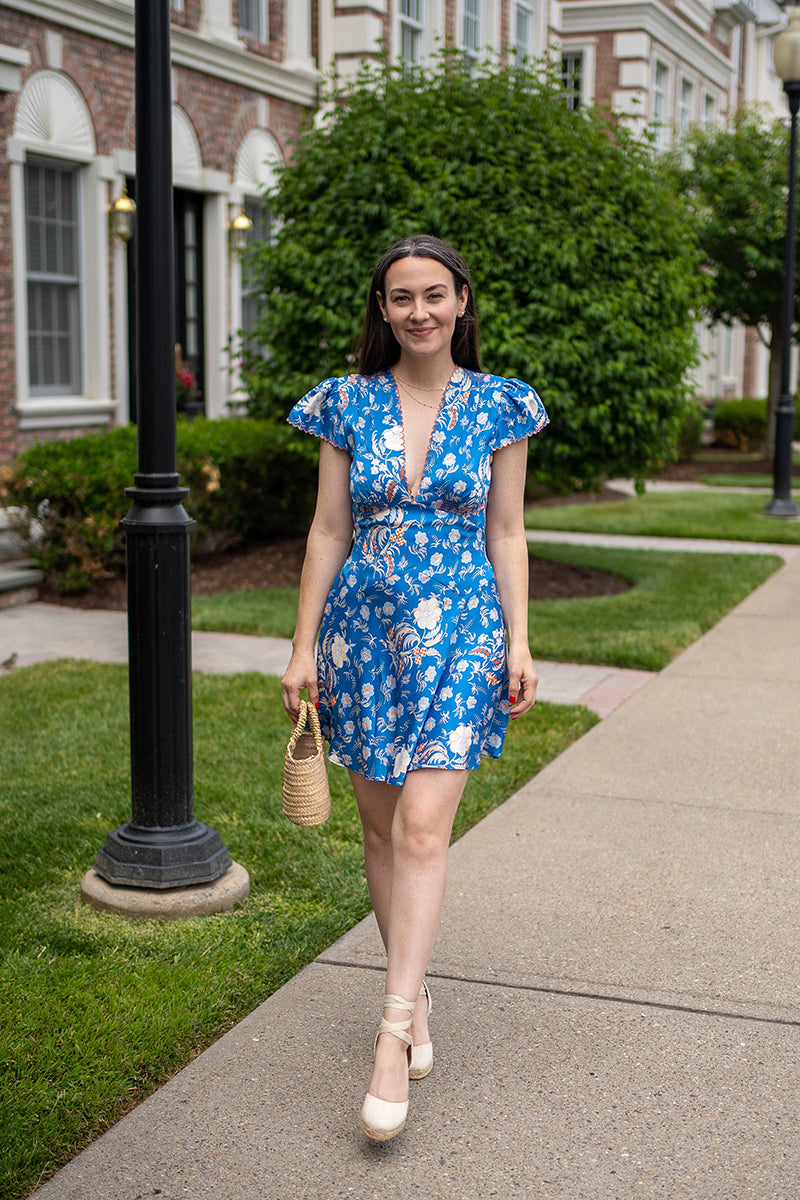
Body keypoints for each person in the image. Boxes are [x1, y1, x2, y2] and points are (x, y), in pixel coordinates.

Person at [281, 234, 548, 1141]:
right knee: (380, 828)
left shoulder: (503, 405)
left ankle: (392, 1032)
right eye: (403, 298)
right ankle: (416, 990)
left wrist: (520, 638)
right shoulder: (346, 404)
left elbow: (507, 532)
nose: (421, 311)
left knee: (425, 827)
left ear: (463, 300)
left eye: (436, 294)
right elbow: (326, 531)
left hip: (465, 630)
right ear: (384, 309)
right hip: (362, 634)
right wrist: (301, 646)